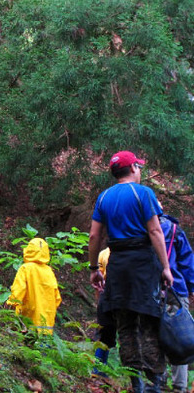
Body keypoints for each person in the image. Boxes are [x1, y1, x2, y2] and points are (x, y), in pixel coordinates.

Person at [88, 151, 173, 393]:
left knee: (125, 325)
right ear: (133, 167)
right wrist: (166, 267)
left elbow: (95, 235)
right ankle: (154, 384)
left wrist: (94, 268)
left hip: (117, 266)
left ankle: (135, 384)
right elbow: (156, 232)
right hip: (143, 265)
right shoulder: (143, 193)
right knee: (150, 322)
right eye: (139, 166)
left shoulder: (104, 197)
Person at [159, 212, 194, 393]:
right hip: (176, 289)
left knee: (155, 334)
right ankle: (180, 386)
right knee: (179, 336)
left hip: (151, 291)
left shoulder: (140, 229)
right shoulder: (174, 230)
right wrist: (191, 288)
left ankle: (158, 380)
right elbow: (187, 262)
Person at [6, 237, 62, 335]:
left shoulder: (25, 269)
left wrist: (10, 305)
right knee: (43, 348)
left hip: (28, 321)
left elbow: (18, 292)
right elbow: (57, 298)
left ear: (29, 250)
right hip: (46, 324)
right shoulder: (49, 271)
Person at [92, 247, 117, 376]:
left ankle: (101, 368)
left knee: (107, 332)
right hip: (109, 294)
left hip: (107, 295)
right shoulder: (103, 254)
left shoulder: (103, 253)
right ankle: (97, 368)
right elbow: (98, 279)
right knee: (105, 332)